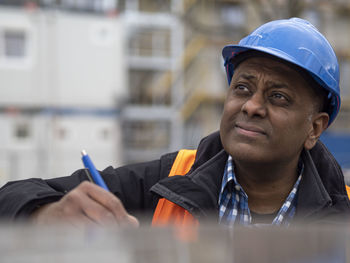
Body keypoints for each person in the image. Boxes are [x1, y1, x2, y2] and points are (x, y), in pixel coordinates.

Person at [0, 18, 349, 227]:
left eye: (278, 97)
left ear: (314, 128)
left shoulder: (342, 211)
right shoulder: (170, 179)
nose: (252, 106)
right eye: (242, 88)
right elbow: (11, 196)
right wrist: (46, 214)